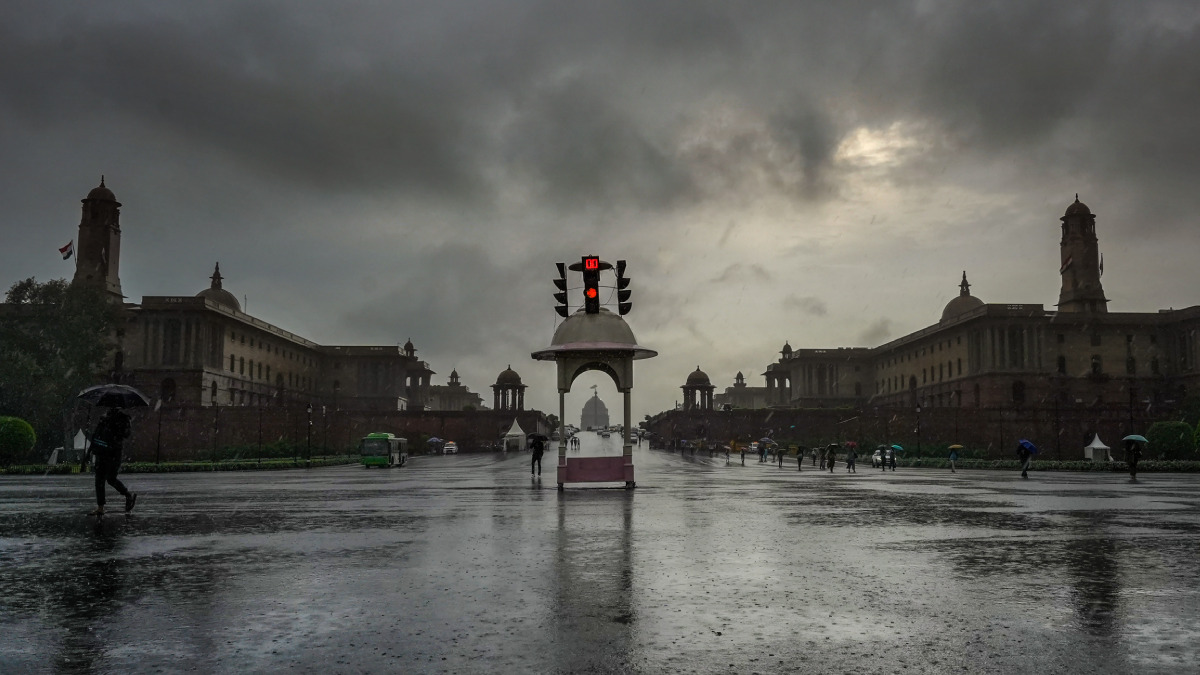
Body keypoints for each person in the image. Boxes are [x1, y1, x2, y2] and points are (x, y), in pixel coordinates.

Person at [88, 407, 136, 516]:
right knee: (99, 480)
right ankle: (100, 507)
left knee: (111, 479)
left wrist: (115, 427)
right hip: (101, 452)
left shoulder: (123, 419)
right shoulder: (103, 419)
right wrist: (91, 450)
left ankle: (127, 495)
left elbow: (126, 434)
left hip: (114, 453)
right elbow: (96, 434)